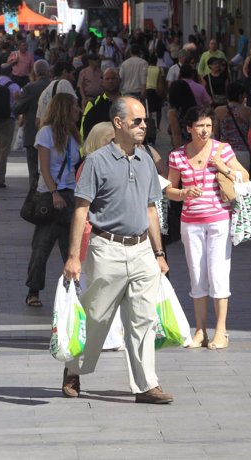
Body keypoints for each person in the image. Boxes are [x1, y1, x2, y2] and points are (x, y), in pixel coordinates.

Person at [61, 96, 173, 404]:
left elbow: (152, 209)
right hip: (105, 248)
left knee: (143, 320)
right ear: (118, 123)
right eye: (137, 121)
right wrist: (73, 256)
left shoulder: (147, 160)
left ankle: (147, 385)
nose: (143, 126)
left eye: (145, 121)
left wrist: (159, 254)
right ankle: (74, 368)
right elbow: (81, 209)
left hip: (141, 251)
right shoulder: (96, 162)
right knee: (96, 317)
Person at [164, 105, 248, 350]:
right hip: (190, 223)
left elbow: (243, 176)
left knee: (218, 273)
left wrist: (222, 166)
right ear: (189, 128)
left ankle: (221, 330)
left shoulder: (223, 149)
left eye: (208, 126)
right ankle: (200, 329)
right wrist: (183, 192)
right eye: (199, 126)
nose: (205, 131)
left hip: (219, 220)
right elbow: (169, 189)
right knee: (197, 276)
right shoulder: (177, 155)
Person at [25, 93, 81, 307]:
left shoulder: (74, 134)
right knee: (42, 246)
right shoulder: (46, 133)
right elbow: (45, 168)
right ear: (65, 109)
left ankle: (72, 288)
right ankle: (33, 290)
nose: (79, 110)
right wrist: (54, 193)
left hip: (71, 193)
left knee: (71, 246)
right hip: (50, 195)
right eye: (75, 107)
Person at [13, 60, 51, 186]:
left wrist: (17, 100)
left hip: (33, 132)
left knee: (34, 170)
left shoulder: (30, 87)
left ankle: (35, 198)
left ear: (35, 72)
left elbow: (17, 108)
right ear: (48, 71)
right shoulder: (55, 86)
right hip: (53, 133)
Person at [213, 81, 251, 173]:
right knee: (243, 183)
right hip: (243, 152)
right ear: (240, 96)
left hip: (224, 152)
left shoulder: (218, 111)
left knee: (225, 184)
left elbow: (216, 134)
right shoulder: (247, 111)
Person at [80, 68, 121, 142]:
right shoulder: (93, 104)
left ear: (119, 80)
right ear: (102, 82)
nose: (110, 81)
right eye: (107, 79)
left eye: (113, 78)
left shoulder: (129, 103)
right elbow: (84, 129)